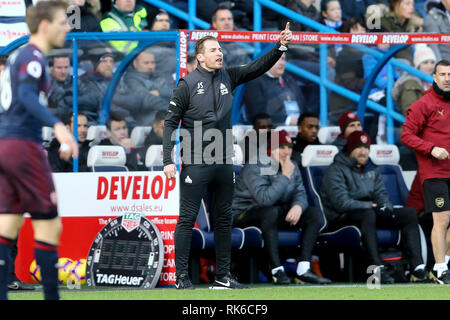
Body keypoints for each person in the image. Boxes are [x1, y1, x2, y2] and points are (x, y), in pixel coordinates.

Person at [163, 24, 293, 290]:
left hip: (223, 161)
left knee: (225, 219)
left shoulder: (228, 77)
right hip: (196, 161)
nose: (219, 53)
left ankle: (222, 276)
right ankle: (182, 278)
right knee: (186, 219)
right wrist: (167, 160)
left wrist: (280, 46)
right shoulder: (186, 84)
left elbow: (256, 67)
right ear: (199, 57)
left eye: (220, 49)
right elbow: (169, 123)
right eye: (213, 50)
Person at [0, 0, 78, 300]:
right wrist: (58, 127)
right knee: (49, 225)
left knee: (7, 224)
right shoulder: (32, 56)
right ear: (45, 26)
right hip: (22, 144)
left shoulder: (18, 56)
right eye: (62, 22)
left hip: (7, 144)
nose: (67, 27)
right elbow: (28, 97)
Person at [321, 131, 430, 283]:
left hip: (369, 213)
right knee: (368, 214)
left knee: (408, 213)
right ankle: (377, 267)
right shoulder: (336, 170)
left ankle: (417, 268)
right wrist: (370, 206)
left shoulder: (372, 168)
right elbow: (341, 203)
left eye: (366, 148)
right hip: (342, 218)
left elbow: (382, 194)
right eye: (359, 147)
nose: (363, 151)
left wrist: (386, 207)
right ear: (350, 150)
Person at [232, 130, 331, 285]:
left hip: (272, 213)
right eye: (281, 147)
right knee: (270, 212)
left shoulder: (292, 166)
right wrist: (284, 176)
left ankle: (304, 269)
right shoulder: (256, 165)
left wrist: (298, 206)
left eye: (289, 147)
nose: (286, 151)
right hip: (243, 214)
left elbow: (300, 193)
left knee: (313, 214)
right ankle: (277, 270)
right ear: (271, 150)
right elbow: (265, 199)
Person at [400, 59, 450, 284]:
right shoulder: (424, 104)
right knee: (442, 219)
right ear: (434, 77)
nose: (447, 78)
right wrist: (431, 148)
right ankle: (439, 269)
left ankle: (444, 265)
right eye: (443, 74)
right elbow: (406, 135)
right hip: (434, 173)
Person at [243, 53, 306, 126]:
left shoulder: (289, 79)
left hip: (298, 127)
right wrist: (288, 120)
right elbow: (258, 113)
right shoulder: (255, 82)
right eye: (277, 59)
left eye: (283, 59)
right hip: (272, 130)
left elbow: (303, 107)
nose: (281, 63)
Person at [121, 49, 169, 126]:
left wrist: (159, 92)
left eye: (152, 63)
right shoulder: (130, 79)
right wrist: (170, 108)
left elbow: (175, 92)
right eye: (146, 63)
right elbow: (145, 100)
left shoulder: (158, 76)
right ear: (135, 64)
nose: (150, 66)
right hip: (146, 123)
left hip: (165, 118)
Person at [392, 44, 436, 116]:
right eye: (425, 63)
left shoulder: (432, 82)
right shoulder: (410, 84)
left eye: (432, 62)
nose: (430, 66)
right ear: (418, 65)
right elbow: (411, 114)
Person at [48, 55, 73, 121]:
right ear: (51, 69)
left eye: (66, 67)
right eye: (59, 68)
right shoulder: (45, 84)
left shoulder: (76, 82)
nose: (63, 72)